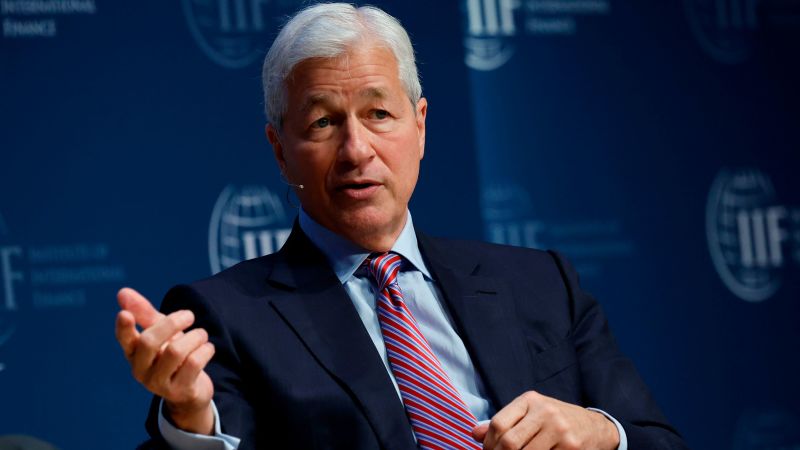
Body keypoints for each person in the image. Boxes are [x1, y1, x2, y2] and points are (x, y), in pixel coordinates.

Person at [115, 3, 687, 449]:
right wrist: (192, 414)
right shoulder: (226, 317)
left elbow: (657, 440)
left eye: (379, 114)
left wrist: (600, 433)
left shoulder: (543, 283)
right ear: (280, 151)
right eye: (323, 122)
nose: (356, 149)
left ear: (420, 126)